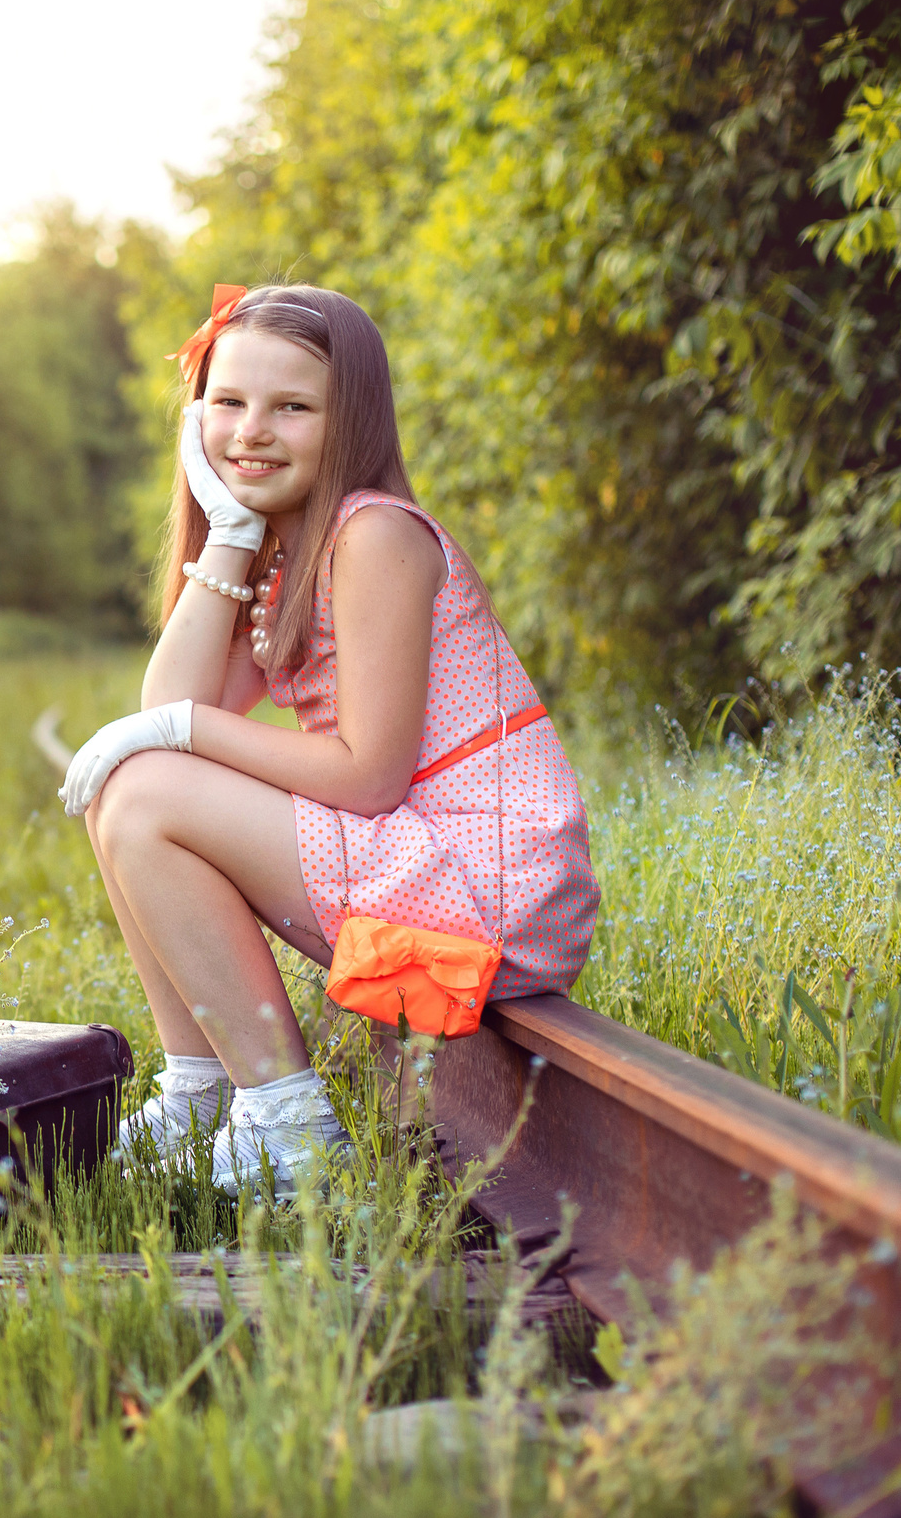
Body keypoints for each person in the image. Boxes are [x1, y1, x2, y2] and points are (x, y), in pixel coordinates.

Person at [59, 284, 598, 1193]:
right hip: (429, 871)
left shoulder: (377, 534)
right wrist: (227, 532)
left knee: (144, 791)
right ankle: (199, 1092)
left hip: (489, 893)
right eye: (227, 404)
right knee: (134, 782)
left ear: (349, 421)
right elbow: (172, 703)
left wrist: (180, 729)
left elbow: (368, 774)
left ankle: (292, 1134)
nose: (252, 431)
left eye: (292, 407)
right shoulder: (287, 548)